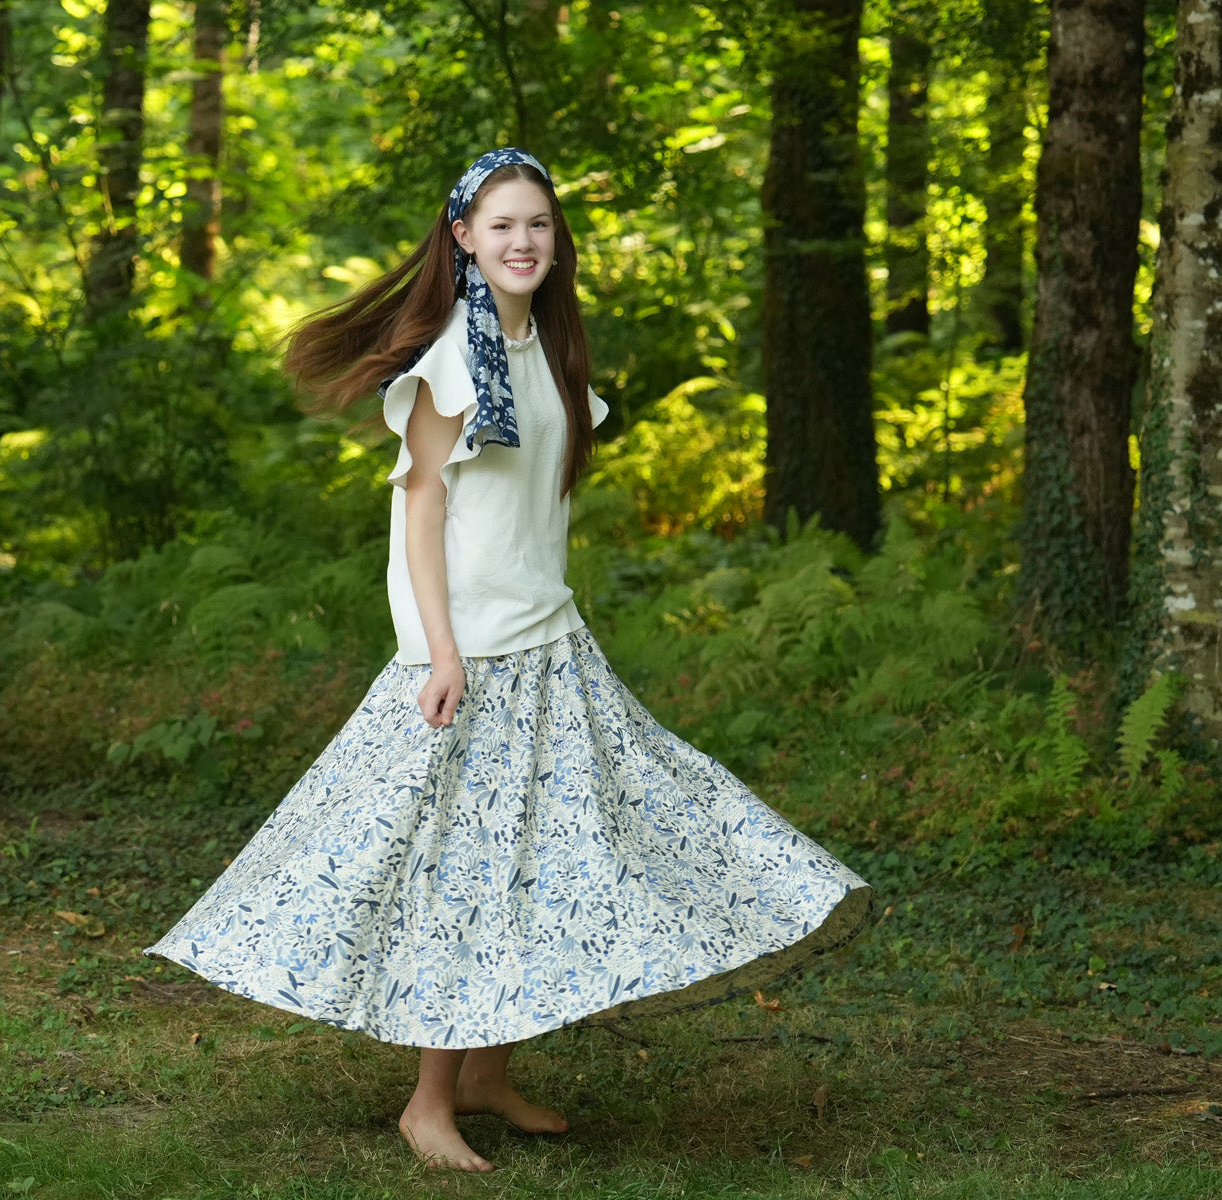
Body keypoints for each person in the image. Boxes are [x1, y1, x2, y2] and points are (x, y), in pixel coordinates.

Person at [145, 148, 874, 1172]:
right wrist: (440, 654)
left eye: (537, 223)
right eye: (501, 226)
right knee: (466, 876)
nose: (522, 241)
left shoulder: (545, 349)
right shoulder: (451, 357)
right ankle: (426, 1103)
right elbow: (421, 510)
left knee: (542, 859)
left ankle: (486, 1074)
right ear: (462, 240)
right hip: (472, 657)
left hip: (547, 641)